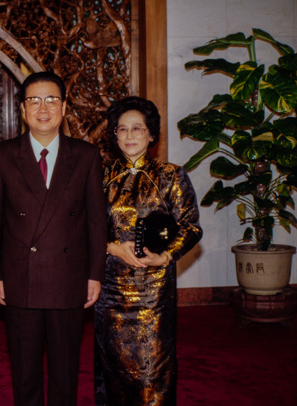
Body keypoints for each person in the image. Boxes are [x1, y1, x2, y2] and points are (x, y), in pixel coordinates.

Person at [0, 71, 107, 406]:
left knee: (66, 370)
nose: (43, 107)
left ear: (64, 107)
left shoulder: (85, 156)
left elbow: (96, 222)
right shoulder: (2, 156)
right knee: (25, 371)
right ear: (22, 110)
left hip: (69, 278)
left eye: (51, 99)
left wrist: (95, 274)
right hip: (20, 277)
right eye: (34, 100)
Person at [94, 96, 203, 406]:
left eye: (137, 129)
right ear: (114, 135)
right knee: (111, 365)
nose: (129, 136)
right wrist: (111, 247)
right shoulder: (101, 175)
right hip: (110, 287)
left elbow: (191, 227)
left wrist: (166, 256)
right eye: (122, 129)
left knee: (152, 368)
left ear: (151, 134)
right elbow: (84, 227)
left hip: (152, 289)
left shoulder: (170, 175)